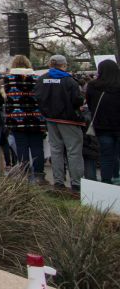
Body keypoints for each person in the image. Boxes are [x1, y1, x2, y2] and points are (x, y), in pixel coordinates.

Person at [35, 54, 84, 193]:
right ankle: (77, 184)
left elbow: (37, 97)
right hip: (68, 119)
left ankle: (58, 182)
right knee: (73, 151)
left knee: (56, 150)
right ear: (63, 65)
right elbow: (77, 100)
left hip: (51, 119)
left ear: (50, 65)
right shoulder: (69, 80)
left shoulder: (42, 79)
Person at [2, 54, 45, 183]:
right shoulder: (37, 78)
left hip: (16, 118)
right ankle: (39, 175)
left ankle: (24, 175)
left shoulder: (8, 79)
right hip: (36, 118)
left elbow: (6, 97)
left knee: (21, 147)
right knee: (37, 147)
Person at [85, 59, 120, 184]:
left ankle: (106, 181)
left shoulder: (93, 86)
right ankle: (117, 178)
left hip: (101, 127)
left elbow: (89, 105)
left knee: (106, 156)